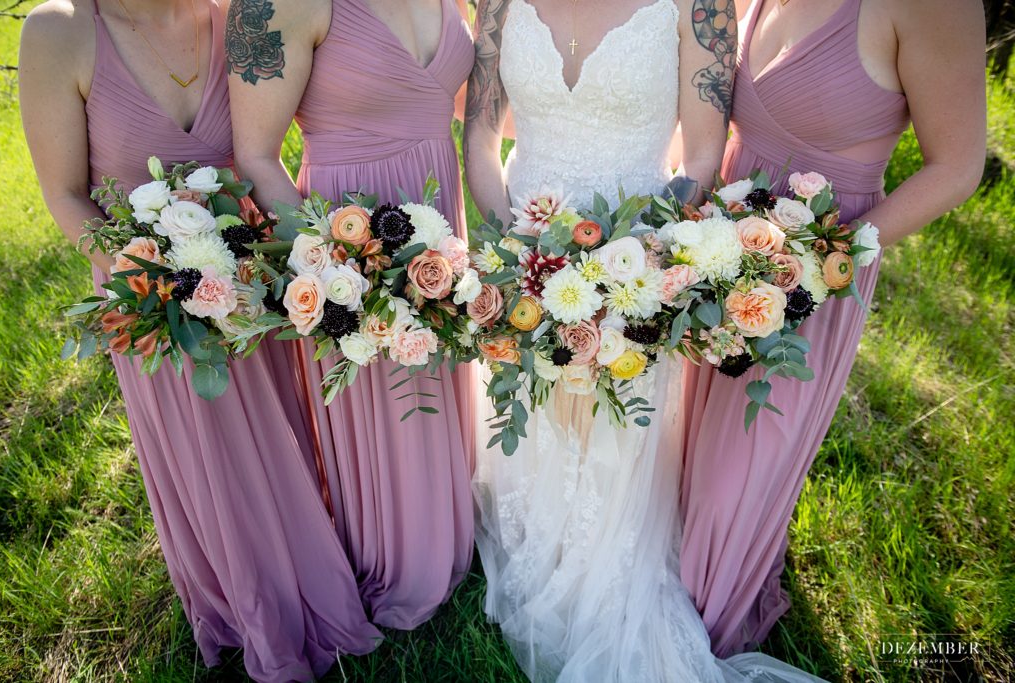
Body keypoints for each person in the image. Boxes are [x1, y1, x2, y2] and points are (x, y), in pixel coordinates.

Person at [464, 0, 826, 680]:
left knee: (609, 420)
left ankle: (602, 552)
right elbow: (481, 135)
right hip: (522, 251)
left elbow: (703, 154)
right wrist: (514, 254)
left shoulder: (701, 6)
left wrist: (630, 270)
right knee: (534, 409)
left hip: (636, 262)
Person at [19, 1, 380, 679]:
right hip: (153, 301)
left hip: (250, 291)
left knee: (283, 437)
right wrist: (150, 268)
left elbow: (289, 133)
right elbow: (64, 194)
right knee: (210, 455)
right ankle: (248, 597)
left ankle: (315, 560)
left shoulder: (241, 18)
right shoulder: (59, 32)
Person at [678, 0, 986, 658]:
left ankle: (705, 605)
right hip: (720, 248)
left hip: (820, 265)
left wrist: (825, 258)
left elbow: (957, 166)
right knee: (687, 443)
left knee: (732, 482)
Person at [226, 0, 477, 629]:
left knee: (432, 369)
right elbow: (254, 154)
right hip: (350, 234)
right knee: (382, 386)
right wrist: (338, 268)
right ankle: (396, 549)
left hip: (435, 214)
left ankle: (454, 523)